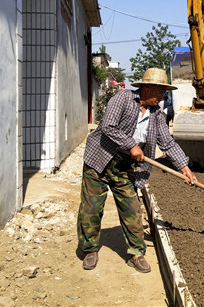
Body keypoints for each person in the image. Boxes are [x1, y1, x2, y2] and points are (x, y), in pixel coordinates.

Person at [77, 68, 197, 272]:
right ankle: (89, 250)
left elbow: (166, 142)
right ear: (147, 88)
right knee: (92, 208)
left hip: (123, 167)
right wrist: (131, 145)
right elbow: (108, 126)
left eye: (163, 92)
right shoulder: (123, 98)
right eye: (160, 91)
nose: (162, 96)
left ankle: (137, 253)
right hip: (99, 160)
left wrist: (184, 168)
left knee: (132, 209)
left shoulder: (157, 113)